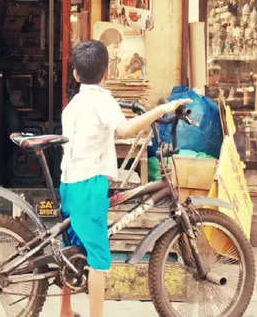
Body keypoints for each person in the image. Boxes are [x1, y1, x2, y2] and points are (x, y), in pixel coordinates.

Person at [59, 40, 190, 317]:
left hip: (69, 183)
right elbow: (125, 129)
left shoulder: (74, 104)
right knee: (98, 261)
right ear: (107, 73)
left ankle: (66, 311)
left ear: (75, 74)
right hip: (89, 184)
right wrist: (162, 110)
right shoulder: (102, 100)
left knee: (71, 251)